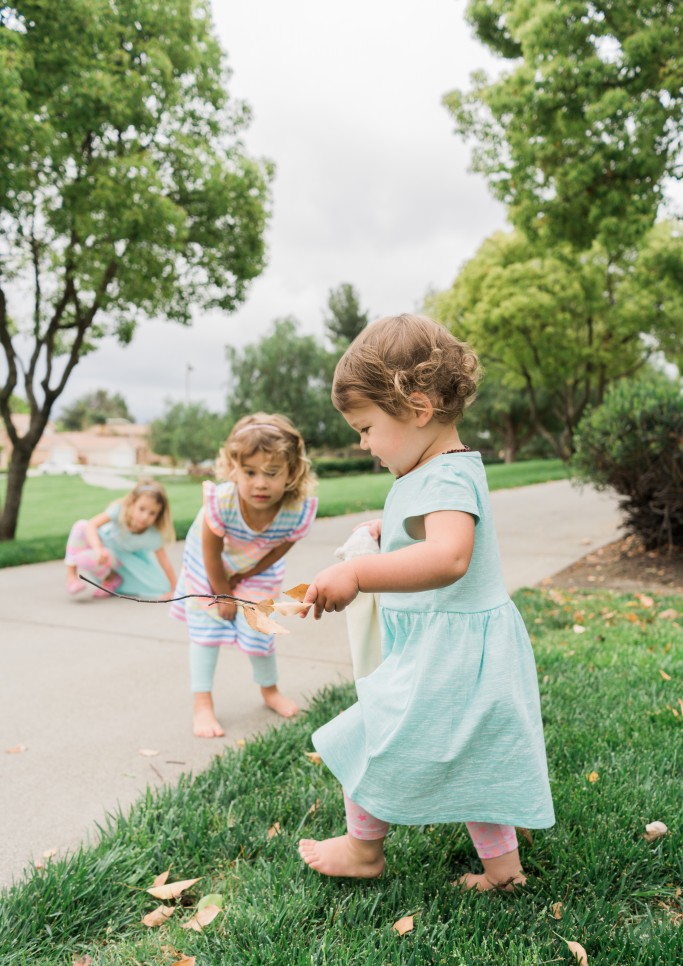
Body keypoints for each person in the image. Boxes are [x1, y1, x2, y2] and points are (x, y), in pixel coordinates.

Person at [299, 314, 554, 891]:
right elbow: (430, 538)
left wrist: (360, 573)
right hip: (460, 653)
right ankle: (503, 872)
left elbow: (448, 557)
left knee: (369, 736)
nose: (362, 444)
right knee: (474, 759)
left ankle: (364, 850)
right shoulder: (438, 470)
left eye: (365, 428)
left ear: (417, 410)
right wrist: (388, 532)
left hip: (449, 657)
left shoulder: (442, 479)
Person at [171, 413, 317, 739]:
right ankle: (202, 703)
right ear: (232, 469)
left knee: (259, 629)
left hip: (257, 564)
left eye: (272, 472)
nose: (260, 483)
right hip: (208, 563)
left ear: (292, 472)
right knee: (208, 628)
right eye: (249, 472)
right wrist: (222, 593)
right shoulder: (222, 502)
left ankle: (270, 691)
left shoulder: (296, 510)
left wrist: (245, 576)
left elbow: (280, 550)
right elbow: (210, 550)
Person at [65, 479, 176, 599]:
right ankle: (71, 577)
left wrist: (175, 589)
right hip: (104, 549)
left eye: (152, 513)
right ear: (132, 503)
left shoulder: (152, 535)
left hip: (120, 562)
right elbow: (92, 524)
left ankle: (111, 580)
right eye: (142, 509)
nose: (145, 517)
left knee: (161, 586)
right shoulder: (119, 511)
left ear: (159, 515)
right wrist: (98, 548)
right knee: (81, 526)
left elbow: (165, 564)